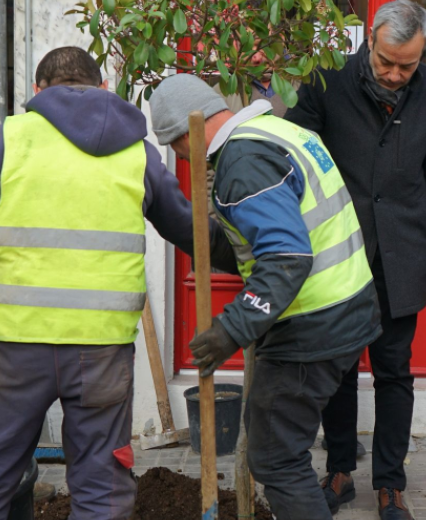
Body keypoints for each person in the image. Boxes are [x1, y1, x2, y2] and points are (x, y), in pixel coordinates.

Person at [0, 47, 235, 519]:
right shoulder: (134, 150)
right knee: (100, 488)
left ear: (37, 92)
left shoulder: (3, 142)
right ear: (101, 88)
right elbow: (191, 231)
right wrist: (252, 257)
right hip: (101, 352)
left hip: (14, 348)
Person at [149, 73, 382, 520]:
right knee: (275, 445)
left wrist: (229, 329)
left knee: (276, 458)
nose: (183, 157)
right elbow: (252, 244)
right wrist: (177, 222)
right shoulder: (278, 129)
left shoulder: (244, 161)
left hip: (312, 325)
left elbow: (286, 257)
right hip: (346, 310)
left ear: (185, 132)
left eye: (176, 148)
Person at [285, 1, 426, 517]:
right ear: (370, 40)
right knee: (337, 369)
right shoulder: (325, 83)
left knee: (394, 372)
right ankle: (339, 470)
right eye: (387, 61)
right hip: (339, 251)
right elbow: (295, 157)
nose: (394, 74)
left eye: (407, 65)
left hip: (403, 256)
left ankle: (390, 482)